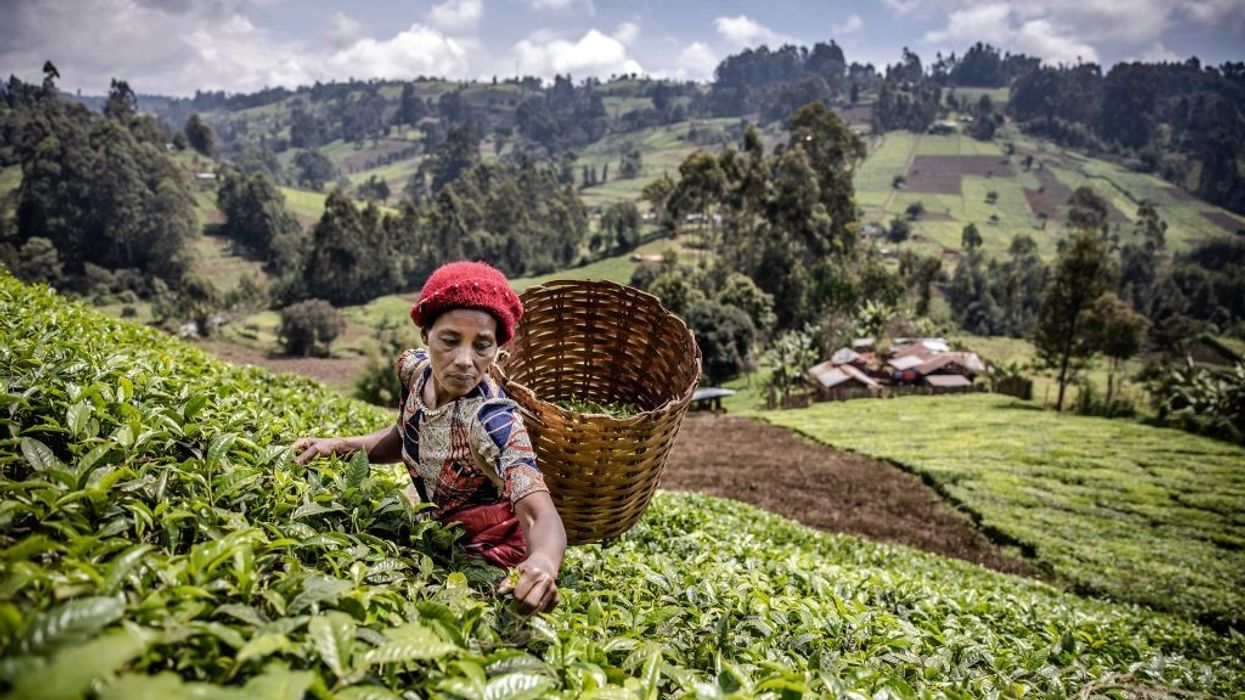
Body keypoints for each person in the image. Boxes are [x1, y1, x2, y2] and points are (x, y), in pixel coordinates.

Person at [292, 261, 566, 613]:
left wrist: (542, 563)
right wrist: (340, 446)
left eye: (482, 345)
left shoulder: (495, 420)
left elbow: (540, 515)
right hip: (436, 525)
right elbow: (408, 434)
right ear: (426, 336)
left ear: (497, 349)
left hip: (490, 551)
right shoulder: (414, 370)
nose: (465, 360)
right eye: (449, 341)